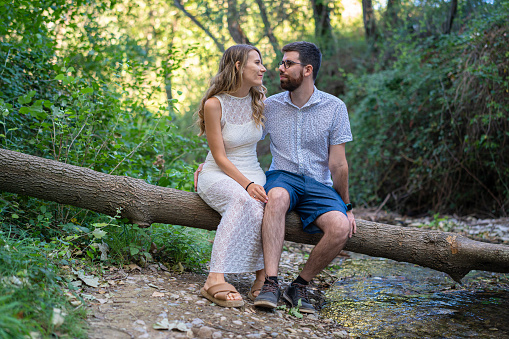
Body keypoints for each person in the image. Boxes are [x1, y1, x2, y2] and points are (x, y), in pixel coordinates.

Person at [252, 41, 356, 314]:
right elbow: (240, 140)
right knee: (275, 197)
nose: (280, 68)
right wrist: (213, 163)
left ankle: (298, 285)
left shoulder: (335, 108)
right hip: (282, 176)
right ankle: (271, 283)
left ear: (307, 69)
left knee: (340, 226)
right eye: (281, 62)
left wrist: (347, 206)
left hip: (318, 183)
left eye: (288, 63)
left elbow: (338, 164)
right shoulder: (269, 106)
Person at [194, 44, 269, 308]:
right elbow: (219, 156)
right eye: (257, 63)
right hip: (218, 173)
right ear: (238, 66)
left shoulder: (260, 101)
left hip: (254, 173)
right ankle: (214, 278)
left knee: (261, 208)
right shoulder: (214, 104)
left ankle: (263, 277)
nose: (263, 68)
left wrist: (255, 183)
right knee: (241, 199)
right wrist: (246, 185)